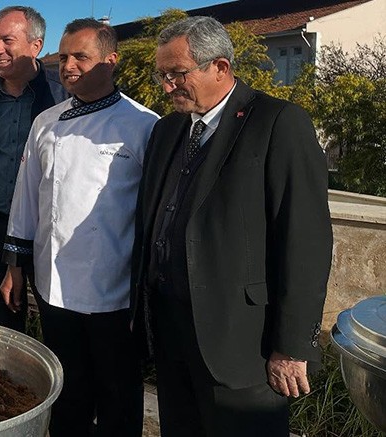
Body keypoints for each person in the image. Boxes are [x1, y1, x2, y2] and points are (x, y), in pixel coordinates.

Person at [131, 16, 332, 436]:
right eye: (162, 75)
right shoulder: (167, 130)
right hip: (171, 336)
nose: (167, 87)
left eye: (177, 74)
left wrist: (292, 346)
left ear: (220, 67)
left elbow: (305, 241)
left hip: (243, 345)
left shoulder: (278, 123)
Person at [2, 18, 157, 436]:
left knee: (118, 395)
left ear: (110, 60)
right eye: (65, 56)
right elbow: (26, 196)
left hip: (114, 290)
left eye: (81, 57)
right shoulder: (45, 123)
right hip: (53, 284)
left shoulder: (144, 126)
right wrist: (14, 265)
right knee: (67, 391)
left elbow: (155, 212)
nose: (69, 66)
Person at [0, 5, 67, 332]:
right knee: (6, 325)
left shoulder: (63, 97)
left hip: (48, 232)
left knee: (57, 322)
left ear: (36, 46)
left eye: (7, 40)